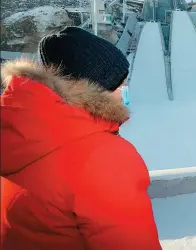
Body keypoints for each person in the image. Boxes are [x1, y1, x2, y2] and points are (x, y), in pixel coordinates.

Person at [1, 26, 162, 250]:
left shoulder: (17, 130)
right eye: (121, 83)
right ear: (97, 88)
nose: (125, 90)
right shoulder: (103, 157)